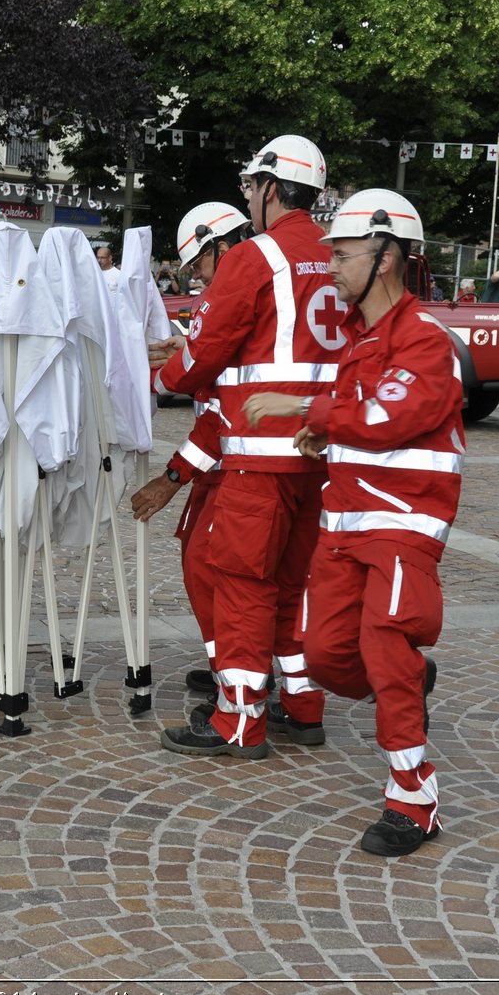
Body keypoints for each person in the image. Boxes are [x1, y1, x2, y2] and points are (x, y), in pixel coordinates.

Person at [244, 188, 462, 857]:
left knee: (386, 648)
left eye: (343, 254)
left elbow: (386, 417)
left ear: (388, 256)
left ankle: (413, 798)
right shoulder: (362, 342)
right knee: (327, 656)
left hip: (401, 527)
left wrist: (306, 412)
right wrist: (326, 434)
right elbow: (360, 413)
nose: (331, 266)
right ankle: (404, 681)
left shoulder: (427, 341)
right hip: (345, 528)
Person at [151, 135, 339, 760]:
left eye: (251, 188)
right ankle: (303, 706)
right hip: (320, 453)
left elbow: (203, 352)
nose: (249, 199)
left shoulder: (257, 258)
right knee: (291, 584)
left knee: (238, 582)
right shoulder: (338, 255)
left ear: (271, 189)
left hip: (261, 454)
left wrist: (163, 376)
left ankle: (238, 718)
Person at [133, 201, 252, 700]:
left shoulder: (234, 298)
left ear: (221, 248)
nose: (198, 279)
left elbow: (218, 415)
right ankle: (232, 669)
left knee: (214, 565)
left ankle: (243, 681)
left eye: (199, 265)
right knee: (205, 559)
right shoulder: (239, 294)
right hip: (235, 461)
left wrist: (171, 479)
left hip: (242, 463)